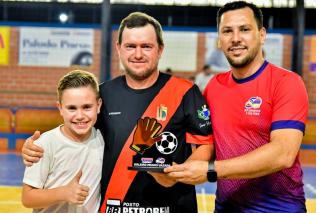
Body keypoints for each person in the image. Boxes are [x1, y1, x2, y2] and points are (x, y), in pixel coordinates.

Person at [21, 12, 213, 213]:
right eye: (130, 46)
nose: (138, 54)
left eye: (146, 46)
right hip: (114, 206)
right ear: (118, 49)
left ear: (160, 49)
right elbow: (75, 130)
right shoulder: (103, 94)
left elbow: (205, 145)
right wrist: (36, 148)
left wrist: (176, 175)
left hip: (174, 207)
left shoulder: (185, 92)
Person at [165, 1, 308, 212]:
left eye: (244, 29)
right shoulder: (213, 87)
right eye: (227, 31)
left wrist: (211, 171)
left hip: (279, 209)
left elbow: (283, 153)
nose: (235, 38)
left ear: (262, 34)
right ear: (219, 41)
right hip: (225, 207)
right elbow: (208, 146)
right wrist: (174, 171)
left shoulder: (287, 82)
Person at [21, 70, 104, 212]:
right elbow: (27, 198)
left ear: (99, 105)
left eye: (87, 107)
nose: (80, 116)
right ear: (60, 108)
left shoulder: (103, 139)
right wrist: (63, 193)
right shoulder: (44, 145)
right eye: (72, 108)